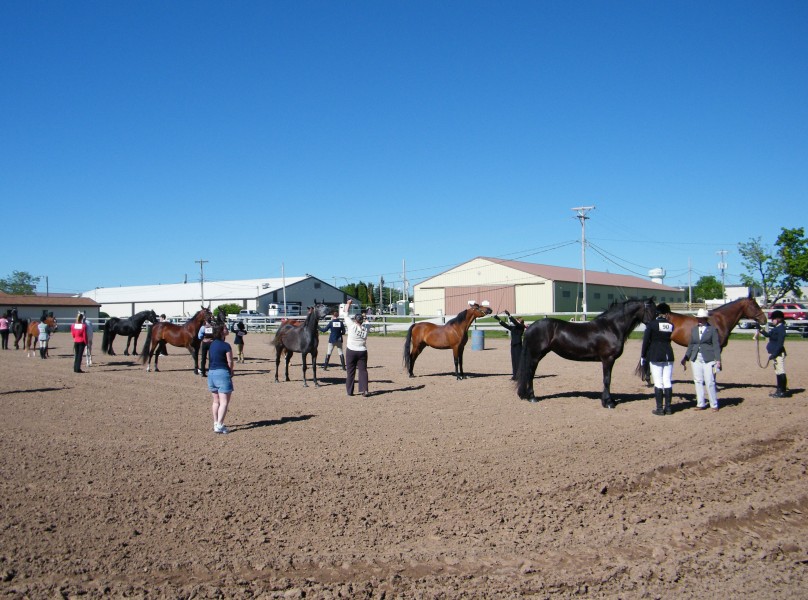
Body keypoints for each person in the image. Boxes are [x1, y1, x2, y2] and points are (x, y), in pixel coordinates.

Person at [682, 308, 722, 411]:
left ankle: (714, 404)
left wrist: (718, 360)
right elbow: (691, 344)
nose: (699, 320)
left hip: (708, 358)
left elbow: (716, 345)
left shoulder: (712, 330)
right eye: (698, 318)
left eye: (701, 318)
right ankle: (701, 403)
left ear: (705, 319)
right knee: (698, 380)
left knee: (710, 381)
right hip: (696, 358)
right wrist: (686, 357)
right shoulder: (694, 329)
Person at [640, 302, 675, 416]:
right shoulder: (671, 325)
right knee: (667, 381)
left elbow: (646, 342)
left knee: (658, 382)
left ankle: (660, 408)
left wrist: (643, 355)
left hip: (655, 354)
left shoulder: (652, 325)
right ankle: (668, 408)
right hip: (668, 354)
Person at [754, 309, 789, 398]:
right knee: (777, 371)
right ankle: (779, 389)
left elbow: (780, 344)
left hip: (778, 353)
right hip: (775, 353)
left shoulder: (781, 329)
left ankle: (782, 391)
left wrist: (775, 354)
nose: (772, 320)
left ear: (778, 319)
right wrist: (760, 329)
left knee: (780, 371)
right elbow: (769, 335)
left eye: (773, 319)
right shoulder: (777, 328)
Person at [207, 324, 235, 434]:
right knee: (224, 402)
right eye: (226, 329)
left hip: (211, 373)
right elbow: (230, 361)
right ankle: (219, 425)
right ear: (221, 332)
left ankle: (215, 422)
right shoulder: (226, 345)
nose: (227, 330)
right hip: (222, 373)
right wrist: (231, 370)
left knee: (216, 401)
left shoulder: (212, 344)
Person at [342, 299, 369, 396]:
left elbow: (345, 313)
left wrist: (348, 304)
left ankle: (350, 391)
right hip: (362, 351)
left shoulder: (351, 326)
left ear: (355, 320)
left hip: (351, 351)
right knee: (363, 371)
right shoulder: (366, 328)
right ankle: (364, 390)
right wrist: (365, 317)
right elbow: (367, 321)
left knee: (350, 371)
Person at [494, 310, 526, 380]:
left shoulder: (521, 326)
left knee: (518, 360)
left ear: (520, 322)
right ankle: (515, 375)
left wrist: (509, 315)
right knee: (514, 361)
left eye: (517, 320)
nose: (516, 321)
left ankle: (520, 375)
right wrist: (499, 319)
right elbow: (506, 326)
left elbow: (515, 322)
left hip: (518, 345)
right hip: (513, 345)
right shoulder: (514, 328)